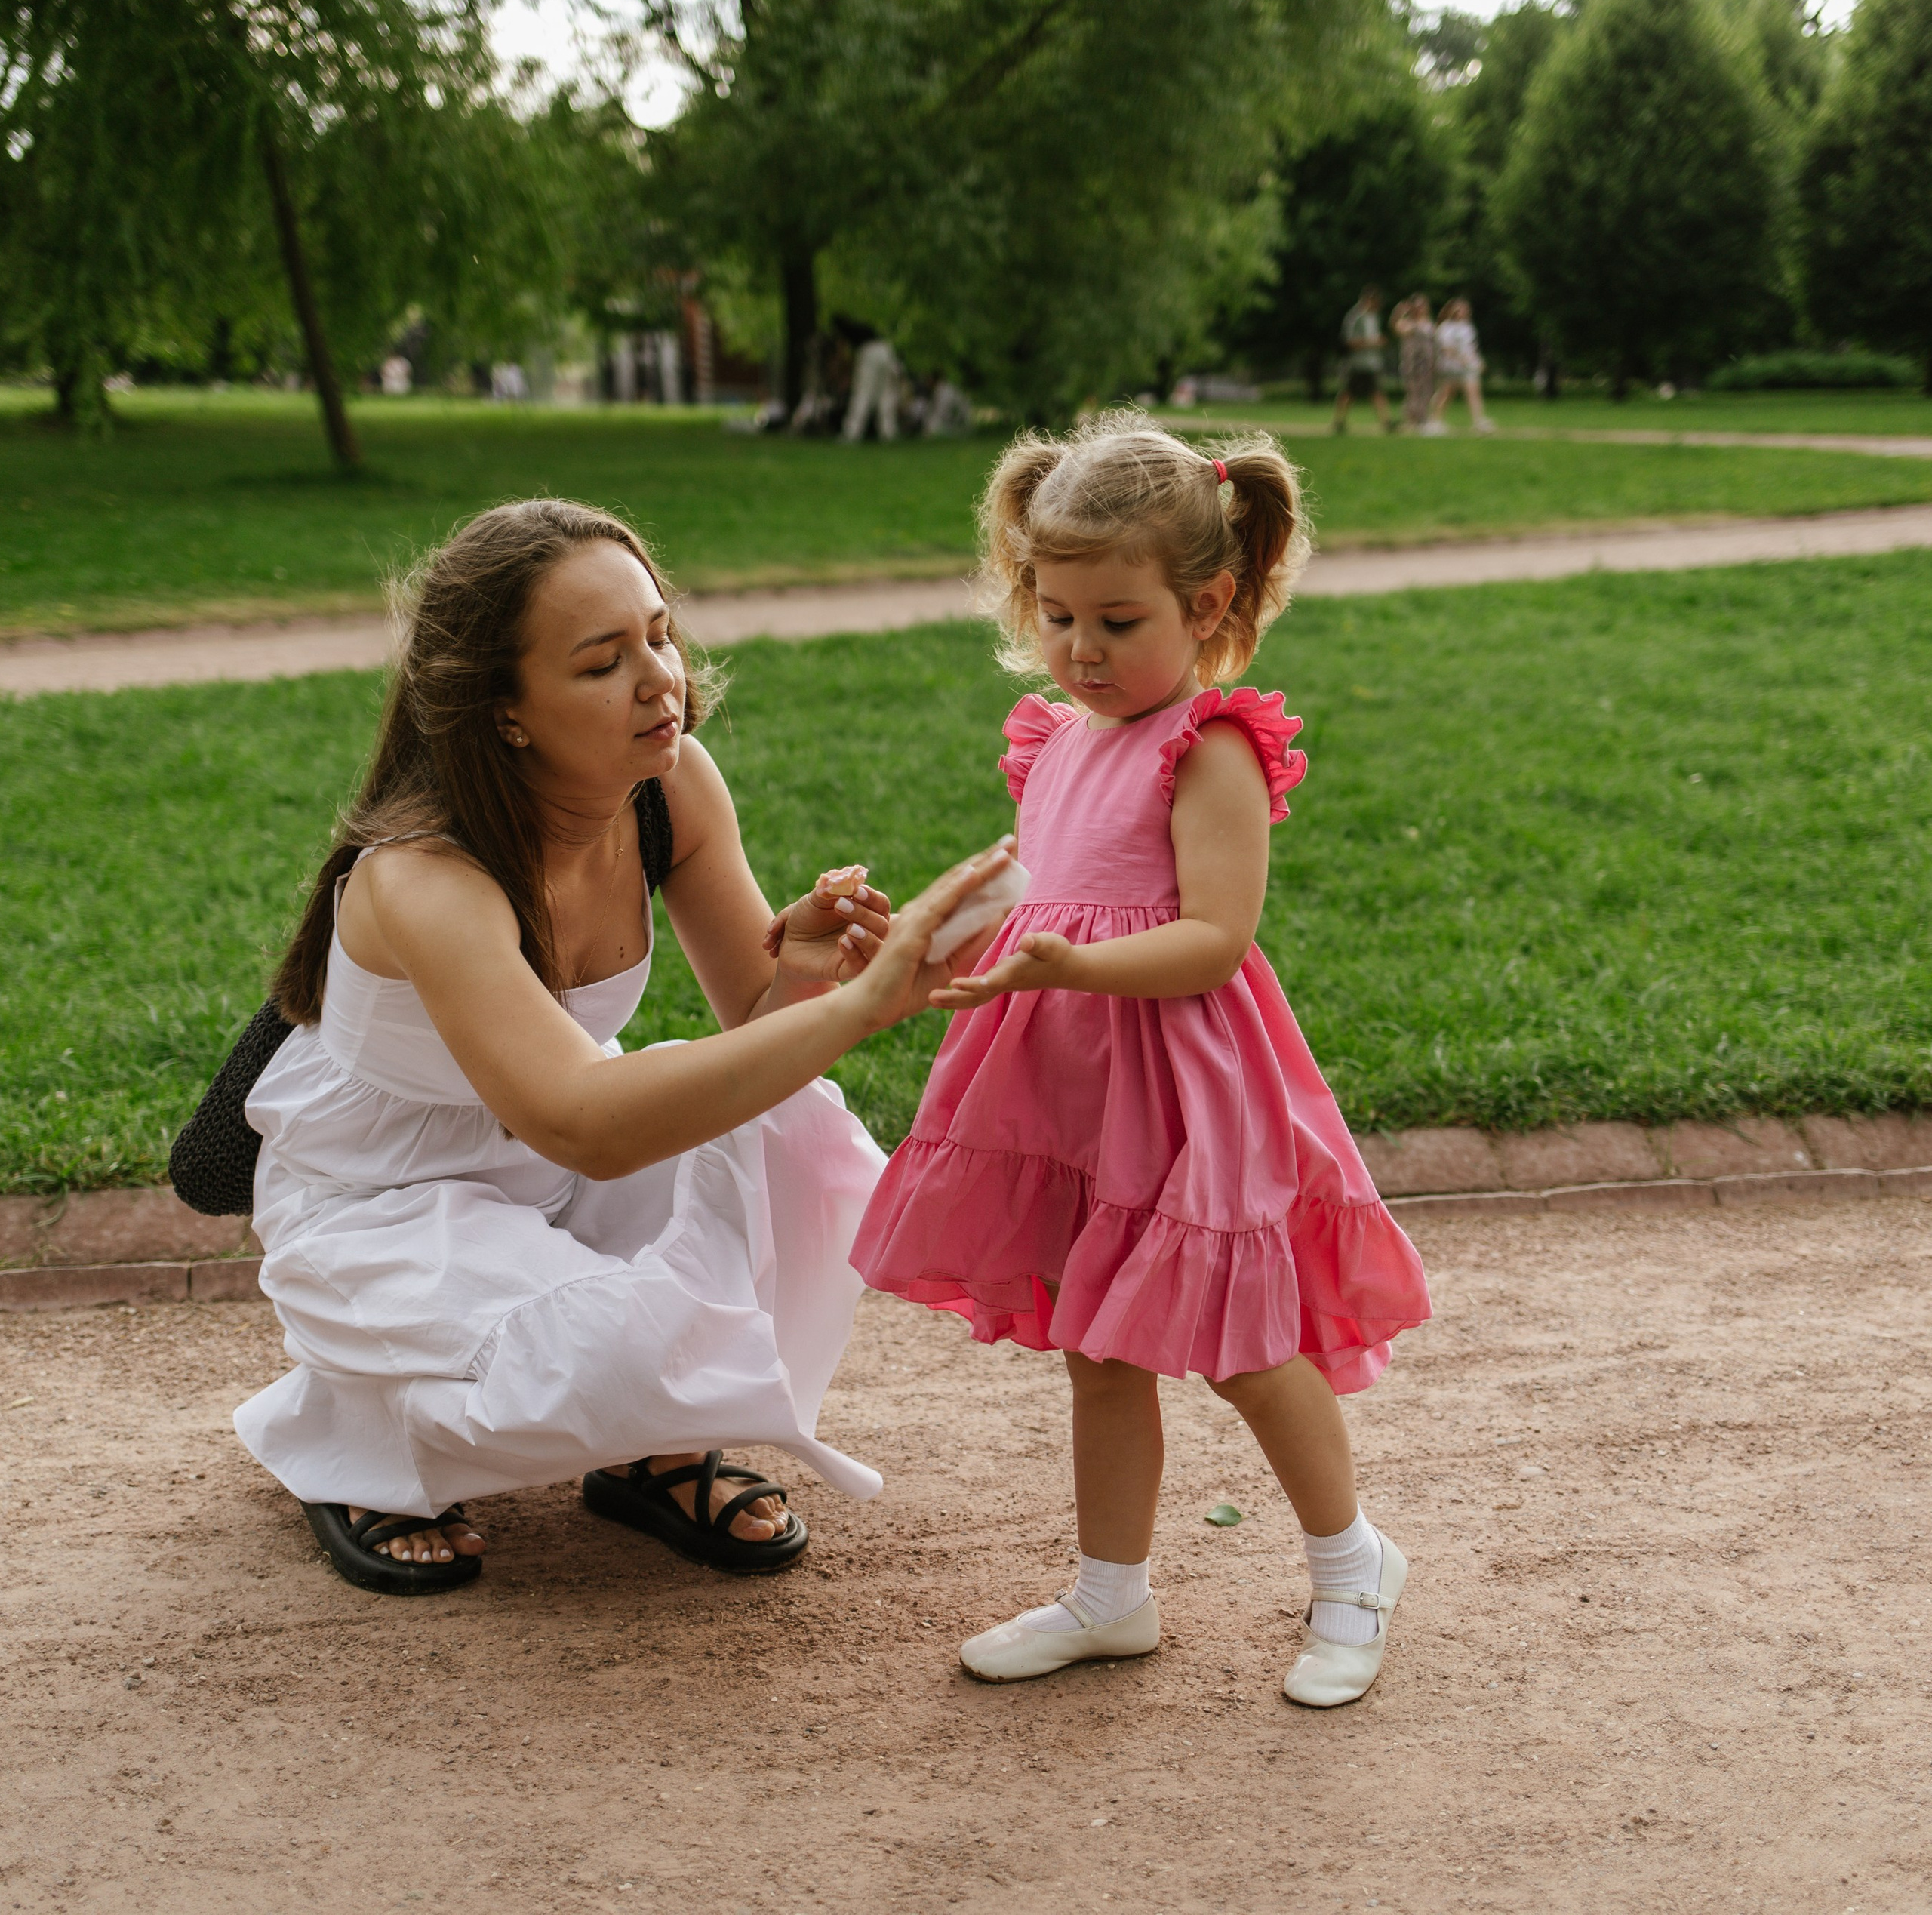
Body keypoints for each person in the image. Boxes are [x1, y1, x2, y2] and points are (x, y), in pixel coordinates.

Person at [234, 497, 1017, 1595]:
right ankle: (358, 1440)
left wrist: (800, 975)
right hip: (385, 1206)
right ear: (504, 711)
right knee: (603, 1353)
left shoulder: (671, 784)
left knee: (803, 1138)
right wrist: (864, 1006)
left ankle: (648, 1451)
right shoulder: (422, 877)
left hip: (551, 1168)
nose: (660, 679)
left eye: (659, 634)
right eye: (604, 663)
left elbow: (752, 1028)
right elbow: (582, 1124)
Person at [851, 414, 1432, 1707]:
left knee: (1241, 1341)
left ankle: (1354, 1565)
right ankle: (1111, 1594)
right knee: (1095, 1341)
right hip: (1072, 1086)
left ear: (1208, 601)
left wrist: (1071, 969)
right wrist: (945, 941)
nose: (1081, 649)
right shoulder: (1056, 738)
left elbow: (1213, 943)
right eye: (1058, 615)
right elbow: (1043, 896)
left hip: (1181, 1087)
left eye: (1116, 621)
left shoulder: (1209, 747)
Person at [1330, 288, 1393, 435]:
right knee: (1348, 393)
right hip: (1357, 363)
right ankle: (1339, 421)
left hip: (1372, 363)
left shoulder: (1373, 317)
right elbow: (1349, 341)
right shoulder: (1355, 317)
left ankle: (1386, 422)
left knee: (1377, 392)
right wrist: (1373, 343)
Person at [1430, 298, 1497, 433]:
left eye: (1465, 309)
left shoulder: (1468, 327)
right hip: (1451, 367)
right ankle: (1435, 422)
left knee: (1474, 392)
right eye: (1459, 309)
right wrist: (1462, 359)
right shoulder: (1446, 327)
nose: (1463, 312)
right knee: (1446, 394)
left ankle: (1478, 421)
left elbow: (1471, 348)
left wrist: (1477, 361)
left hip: (1467, 367)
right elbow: (1446, 348)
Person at [1391, 294, 1438, 433]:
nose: (1420, 309)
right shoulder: (1408, 323)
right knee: (1413, 392)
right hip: (1413, 364)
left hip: (1428, 364)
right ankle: (1412, 420)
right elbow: (1396, 328)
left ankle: (1423, 419)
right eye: (1417, 306)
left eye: (1422, 306)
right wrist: (1398, 313)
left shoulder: (1429, 323)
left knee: (1428, 392)